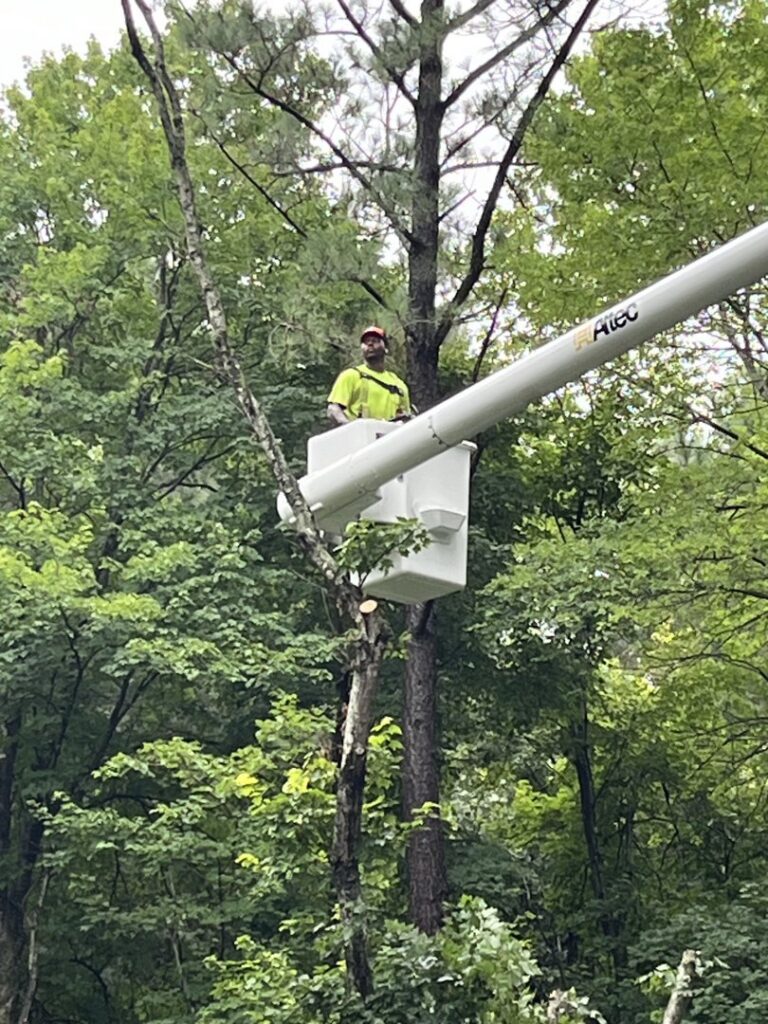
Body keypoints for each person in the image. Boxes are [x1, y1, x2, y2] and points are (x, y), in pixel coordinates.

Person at [327, 325, 412, 426]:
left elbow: (406, 417)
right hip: (360, 437)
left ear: (386, 348)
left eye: (375, 340)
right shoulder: (351, 376)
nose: (370, 344)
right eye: (366, 342)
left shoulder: (398, 385)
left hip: (389, 437)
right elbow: (333, 409)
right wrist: (349, 427)